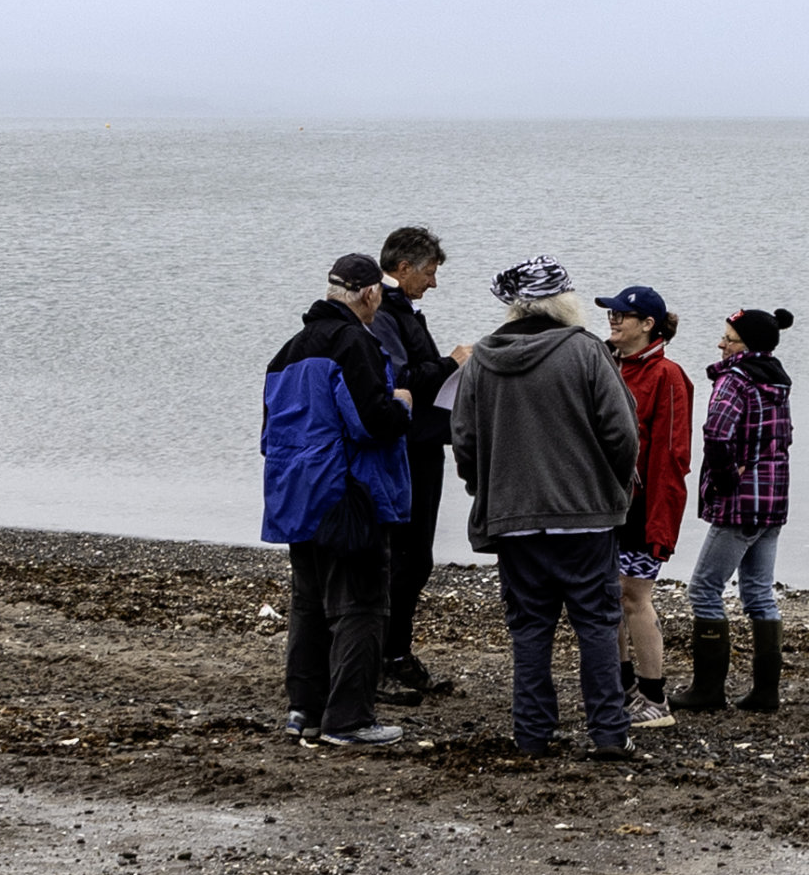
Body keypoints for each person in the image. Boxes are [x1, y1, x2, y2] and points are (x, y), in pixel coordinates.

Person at [446, 258, 647, 761]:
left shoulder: (482, 359)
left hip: (514, 518)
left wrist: (486, 490)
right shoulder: (586, 351)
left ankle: (532, 735)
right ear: (564, 302)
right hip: (585, 518)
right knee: (596, 625)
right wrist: (613, 488)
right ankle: (609, 733)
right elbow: (622, 432)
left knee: (530, 629)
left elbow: (463, 439)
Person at [259, 253, 416, 749]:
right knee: (362, 605)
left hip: (294, 494)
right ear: (369, 293)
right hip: (347, 494)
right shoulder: (354, 342)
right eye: (379, 296)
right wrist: (402, 405)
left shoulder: (286, 352)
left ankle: (304, 711)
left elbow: (268, 435)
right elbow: (370, 423)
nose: (378, 305)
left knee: (309, 603)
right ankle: (348, 719)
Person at [366, 226, 468, 705]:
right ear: (403, 268)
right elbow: (399, 377)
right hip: (406, 447)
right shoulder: (385, 312)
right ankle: (386, 655)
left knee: (413, 557)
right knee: (405, 557)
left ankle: (394, 651)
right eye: (429, 273)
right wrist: (451, 364)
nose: (433, 282)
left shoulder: (398, 309)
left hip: (422, 443)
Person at [685, 308, 797, 712]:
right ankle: (765, 693)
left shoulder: (735, 379)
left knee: (703, 590)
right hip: (774, 500)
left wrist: (726, 481)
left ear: (747, 346)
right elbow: (783, 438)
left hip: (740, 503)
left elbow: (717, 434)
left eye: (729, 338)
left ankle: (707, 691)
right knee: (759, 594)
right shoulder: (778, 381)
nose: (721, 344)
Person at [597, 284, 694, 729]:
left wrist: (661, 525)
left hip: (642, 507)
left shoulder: (667, 375)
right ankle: (622, 687)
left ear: (648, 324)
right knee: (606, 595)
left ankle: (655, 697)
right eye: (611, 313)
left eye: (622, 315)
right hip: (601, 504)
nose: (613, 320)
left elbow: (673, 456)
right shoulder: (606, 364)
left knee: (633, 596)